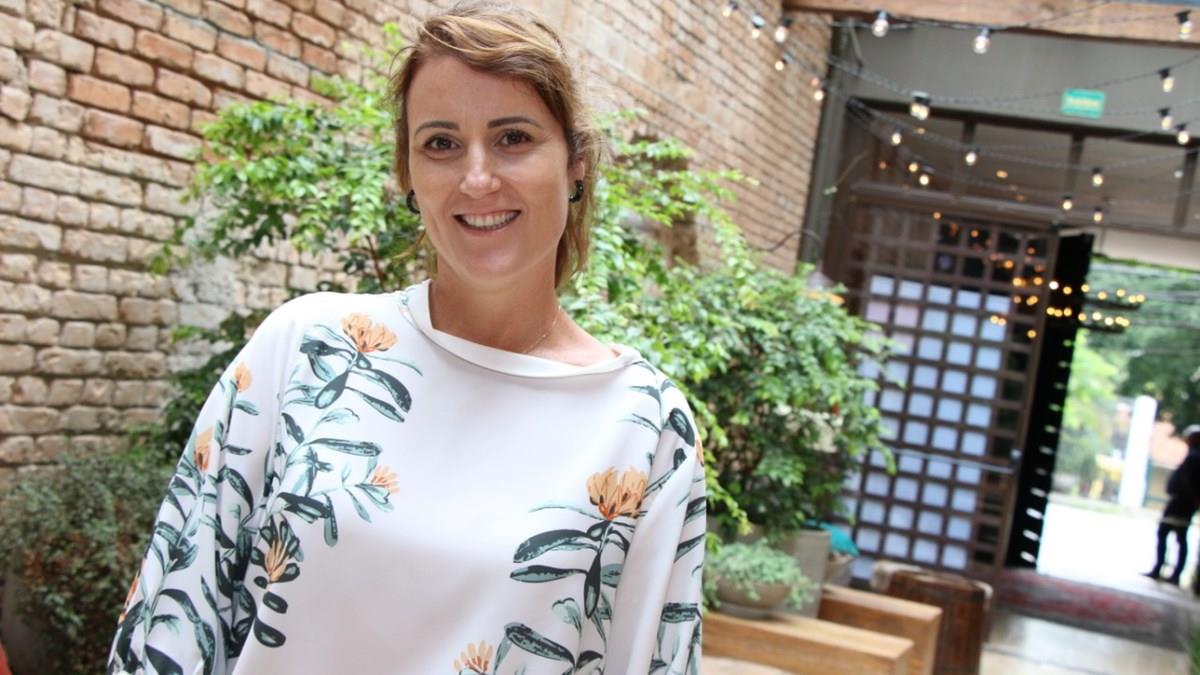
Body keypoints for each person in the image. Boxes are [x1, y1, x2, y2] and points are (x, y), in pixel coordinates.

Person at [106, 2, 706, 673]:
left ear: (576, 164)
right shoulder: (306, 349)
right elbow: (173, 614)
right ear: (408, 176)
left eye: (513, 137)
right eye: (441, 144)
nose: (477, 178)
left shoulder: (643, 424)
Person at [1144, 424, 1200, 587]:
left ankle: (1167, 571)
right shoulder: (1193, 455)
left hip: (1182, 503)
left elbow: (1190, 482)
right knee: (1177, 536)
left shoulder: (1195, 457)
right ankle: (1168, 571)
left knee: (1171, 534)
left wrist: (1193, 498)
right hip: (1183, 502)